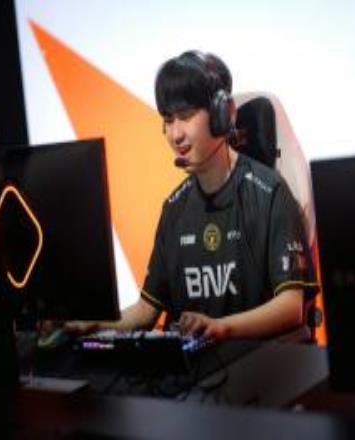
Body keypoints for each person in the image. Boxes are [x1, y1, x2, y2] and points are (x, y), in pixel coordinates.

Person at [68, 50, 316, 342]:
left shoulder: (270, 192)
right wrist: (91, 324)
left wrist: (219, 328)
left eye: (185, 116)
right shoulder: (174, 209)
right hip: (190, 367)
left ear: (225, 114)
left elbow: (291, 307)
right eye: (168, 120)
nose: (175, 135)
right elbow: (146, 311)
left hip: (255, 363)